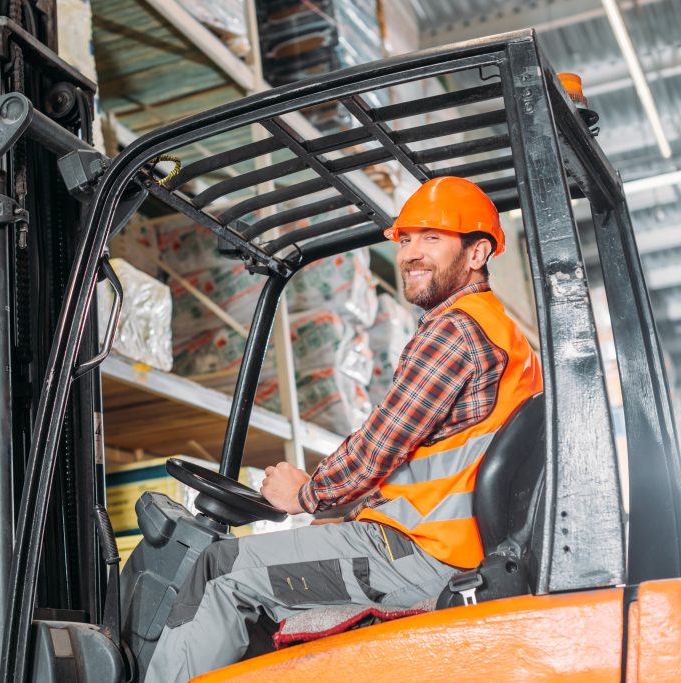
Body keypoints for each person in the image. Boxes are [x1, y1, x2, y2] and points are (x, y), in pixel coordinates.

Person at [145, 177, 544, 682]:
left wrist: (307, 494)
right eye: (406, 240)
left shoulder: (455, 330)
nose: (411, 254)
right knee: (266, 600)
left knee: (220, 570)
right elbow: (425, 455)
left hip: (422, 554)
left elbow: (379, 445)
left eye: (432, 238)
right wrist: (345, 507)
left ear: (477, 252)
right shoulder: (498, 329)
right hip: (445, 545)